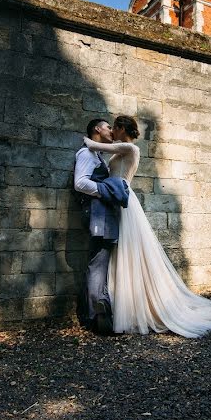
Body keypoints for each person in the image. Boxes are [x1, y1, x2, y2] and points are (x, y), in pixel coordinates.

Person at [83, 115, 211, 338]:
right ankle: (123, 305)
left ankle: (141, 307)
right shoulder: (121, 150)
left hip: (124, 204)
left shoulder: (130, 149)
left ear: (120, 128)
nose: (111, 132)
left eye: (113, 128)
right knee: (120, 254)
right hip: (114, 202)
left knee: (131, 252)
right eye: (108, 128)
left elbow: (92, 144)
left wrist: (92, 137)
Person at [73, 118, 123, 334]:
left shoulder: (97, 155)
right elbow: (80, 183)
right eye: (108, 127)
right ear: (96, 129)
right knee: (98, 262)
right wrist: (107, 189)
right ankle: (97, 316)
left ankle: (96, 311)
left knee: (99, 261)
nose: (111, 130)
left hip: (102, 214)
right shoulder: (86, 154)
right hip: (97, 214)